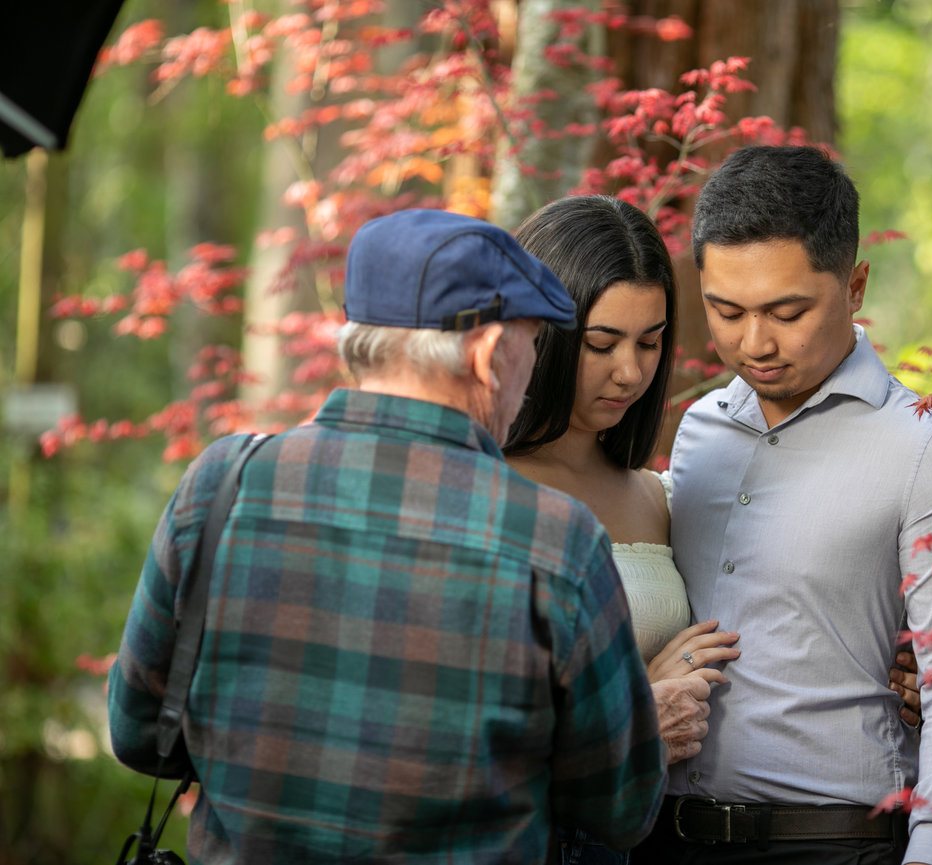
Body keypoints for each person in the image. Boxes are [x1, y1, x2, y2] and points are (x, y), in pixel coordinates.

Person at [107, 209, 667, 863]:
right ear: (489, 356)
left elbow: (139, 732)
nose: (533, 372)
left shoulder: (220, 484)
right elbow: (623, 805)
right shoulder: (555, 541)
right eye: (535, 345)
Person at [504, 195, 923, 865]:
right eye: (602, 343)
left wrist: (899, 657)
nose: (632, 372)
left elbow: (784, 587)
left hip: (654, 838)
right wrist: (637, 701)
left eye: (651, 341)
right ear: (542, 333)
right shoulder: (485, 485)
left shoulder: (661, 496)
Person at [632, 146, 932, 865]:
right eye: (726, 310)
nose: (755, 342)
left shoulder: (922, 451)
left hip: (834, 843)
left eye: (788, 310)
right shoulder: (701, 432)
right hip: (664, 837)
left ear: (855, 284)